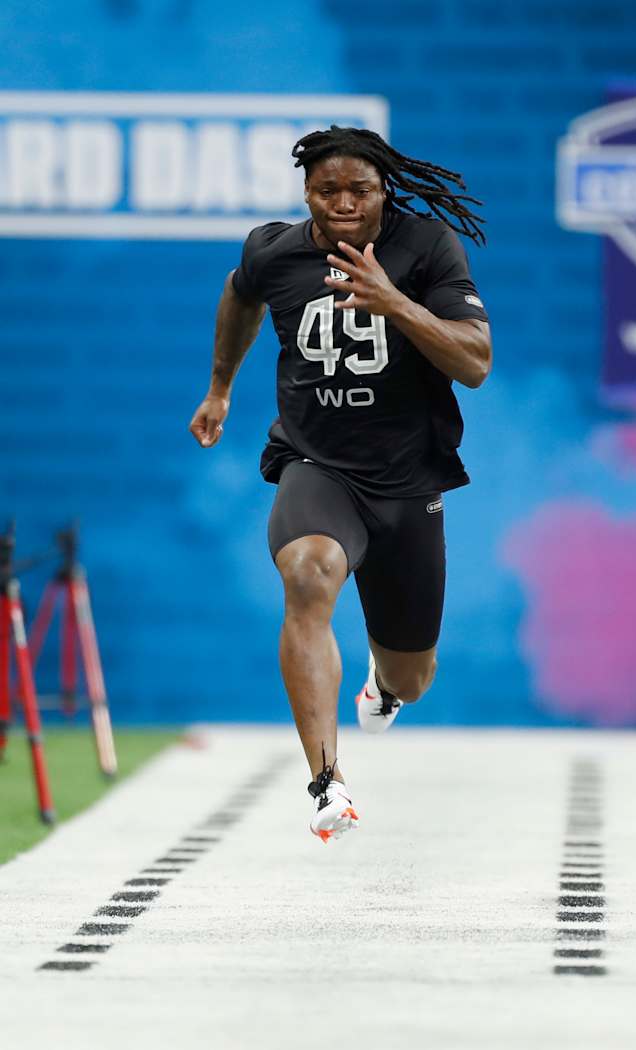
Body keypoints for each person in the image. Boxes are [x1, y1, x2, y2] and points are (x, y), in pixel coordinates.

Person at [189, 125, 492, 843]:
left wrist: (395, 303)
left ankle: (383, 684)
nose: (345, 203)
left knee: (414, 676)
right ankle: (327, 782)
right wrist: (220, 388)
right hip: (315, 461)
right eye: (329, 190)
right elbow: (241, 298)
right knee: (308, 571)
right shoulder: (275, 249)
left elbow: (476, 361)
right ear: (306, 193)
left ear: (384, 188)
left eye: (360, 189)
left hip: (407, 477)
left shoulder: (426, 249)